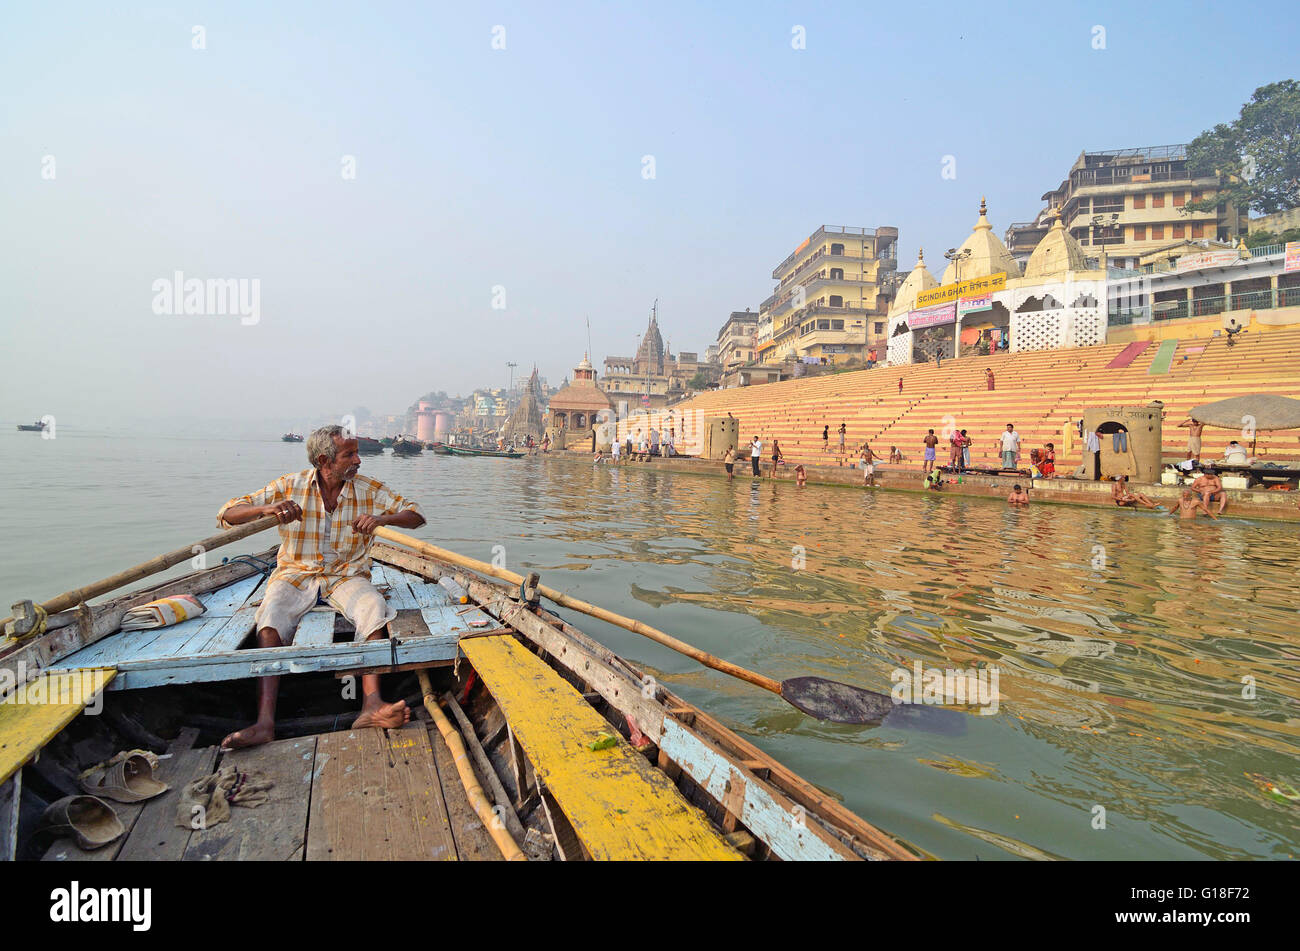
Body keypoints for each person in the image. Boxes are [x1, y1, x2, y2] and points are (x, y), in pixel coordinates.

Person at [215, 425, 426, 749]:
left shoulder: (367, 489)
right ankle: (264, 723)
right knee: (270, 617)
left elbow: (416, 515)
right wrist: (268, 509)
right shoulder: (290, 486)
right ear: (325, 460)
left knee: (373, 608)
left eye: (357, 452)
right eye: (350, 454)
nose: (359, 460)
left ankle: (371, 705)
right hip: (295, 573)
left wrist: (382, 520)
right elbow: (228, 513)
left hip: (346, 575)